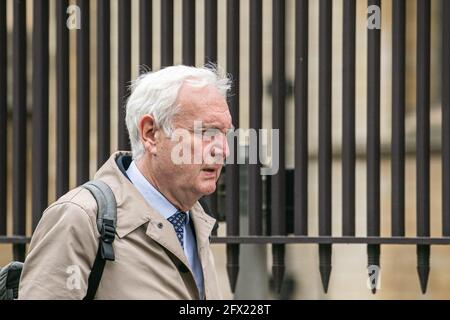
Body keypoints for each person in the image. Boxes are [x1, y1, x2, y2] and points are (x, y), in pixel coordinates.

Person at [18, 65, 233, 299]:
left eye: (225, 134)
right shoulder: (80, 216)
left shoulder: (196, 220)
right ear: (151, 134)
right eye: (207, 132)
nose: (224, 150)